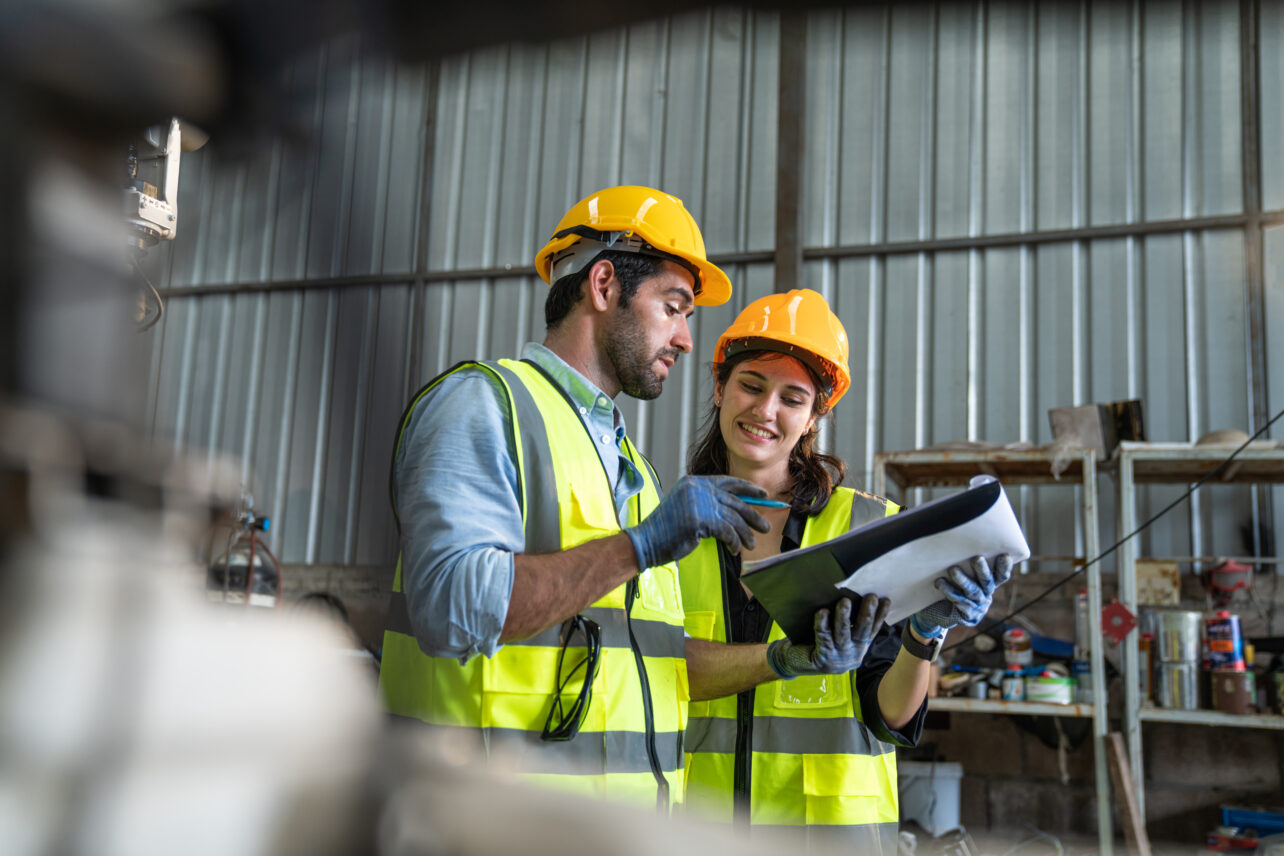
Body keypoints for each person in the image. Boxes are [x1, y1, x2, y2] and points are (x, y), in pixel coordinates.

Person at [377, 186, 772, 810]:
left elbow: (652, 656)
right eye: (674, 308)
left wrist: (787, 658)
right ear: (605, 285)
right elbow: (452, 606)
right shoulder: (483, 405)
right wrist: (638, 547)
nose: (687, 339)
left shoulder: (633, 467)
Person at [677, 289, 1013, 851]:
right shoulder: (670, 528)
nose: (765, 411)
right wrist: (783, 658)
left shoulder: (866, 526)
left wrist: (925, 633)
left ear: (813, 419)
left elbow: (891, 714)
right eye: (751, 386)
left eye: (792, 398)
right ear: (719, 388)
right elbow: (654, 670)